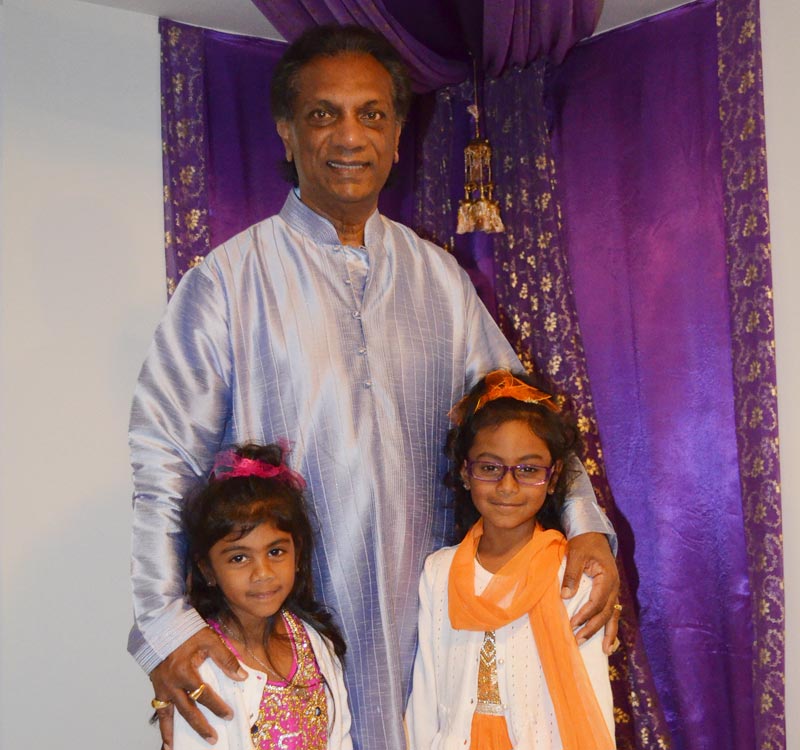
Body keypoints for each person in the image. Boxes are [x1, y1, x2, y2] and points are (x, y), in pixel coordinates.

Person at [129, 24, 619, 750]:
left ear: (396, 137)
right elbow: (164, 461)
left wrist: (586, 526)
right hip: (291, 637)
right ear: (287, 131)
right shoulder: (228, 282)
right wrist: (165, 624)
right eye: (323, 114)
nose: (350, 135)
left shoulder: (441, 282)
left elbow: (523, 418)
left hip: (439, 630)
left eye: (372, 114)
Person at [405, 370, 616, 749]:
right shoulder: (439, 571)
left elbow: (592, 701)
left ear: (554, 478)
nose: (507, 486)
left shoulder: (572, 578)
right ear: (465, 472)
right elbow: (426, 693)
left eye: (528, 470)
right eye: (490, 468)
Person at [166, 443, 352, 750]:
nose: (262, 573)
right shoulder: (203, 667)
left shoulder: (315, 643)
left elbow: (339, 737)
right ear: (208, 569)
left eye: (276, 552)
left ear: (297, 554)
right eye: (239, 558)